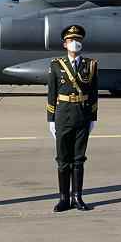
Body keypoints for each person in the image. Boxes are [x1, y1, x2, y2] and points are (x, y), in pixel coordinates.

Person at [46, 25, 98, 212]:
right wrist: (51, 119)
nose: (75, 43)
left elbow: (93, 93)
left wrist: (93, 117)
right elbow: (52, 94)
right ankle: (63, 198)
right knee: (63, 159)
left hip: (82, 115)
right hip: (63, 115)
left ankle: (77, 197)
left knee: (78, 158)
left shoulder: (90, 65)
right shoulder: (56, 65)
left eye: (78, 40)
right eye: (71, 40)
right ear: (65, 44)